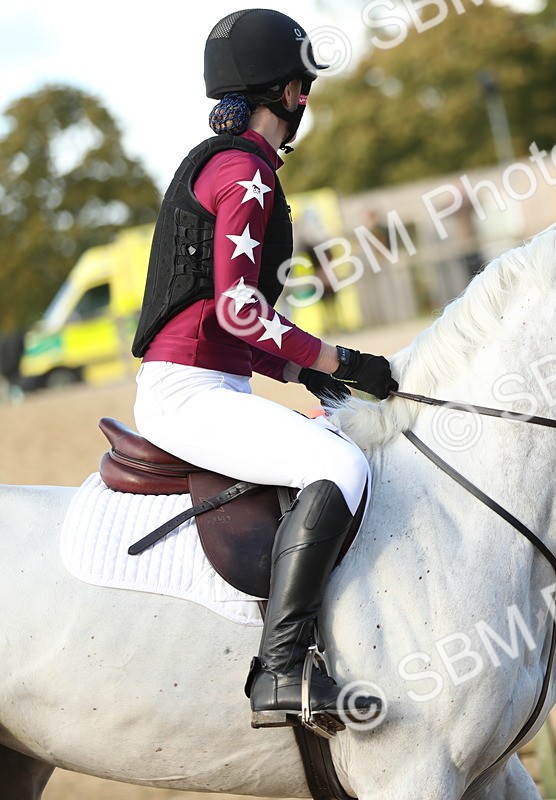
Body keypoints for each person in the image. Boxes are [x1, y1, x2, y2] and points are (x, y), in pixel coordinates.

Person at [129, 9, 397, 728]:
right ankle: (279, 672)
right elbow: (241, 309)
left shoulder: (221, 162)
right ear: (290, 91)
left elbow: (223, 322)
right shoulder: (244, 171)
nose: (305, 98)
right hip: (188, 391)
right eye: (303, 86)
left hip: (204, 378)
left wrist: (305, 374)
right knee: (340, 469)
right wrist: (341, 358)